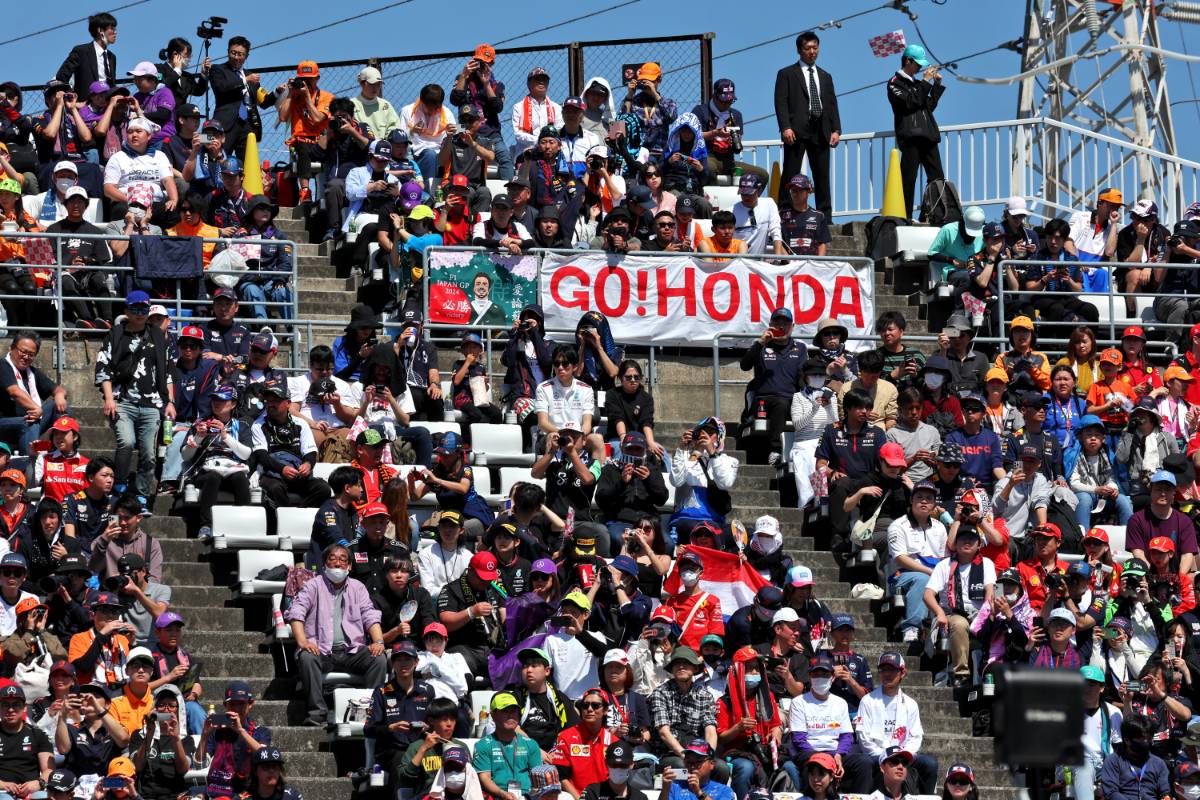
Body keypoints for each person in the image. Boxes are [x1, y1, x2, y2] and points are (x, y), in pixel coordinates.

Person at [285, 544, 387, 727]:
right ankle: (317, 713)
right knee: (307, 657)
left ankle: (367, 713)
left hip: (352, 651)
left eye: (343, 559)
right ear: (324, 564)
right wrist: (303, 642)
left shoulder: (358, 588)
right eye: (332, 558)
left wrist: (378, 641)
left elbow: (370, 615)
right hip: (321, 650)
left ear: (349, 566)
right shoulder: (312, 585)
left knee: (379, 659)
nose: (338, 563)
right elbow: (296, 612)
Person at [774, 32, 840, 218]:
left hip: (821, 130)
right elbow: (781, 102)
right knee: (790, 172)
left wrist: (836, 129)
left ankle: (825, 216)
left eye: (815, 47)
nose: (812, 51)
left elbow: (832, 104)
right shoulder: (786, 73)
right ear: (799, 50)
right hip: (796, 129)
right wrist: (785, 126)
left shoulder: (825, 76)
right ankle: (785, 212)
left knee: (822, 175)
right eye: (807, 48)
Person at [853, 652, 936, 793]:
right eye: (883, 670)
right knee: (864, 763)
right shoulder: (867, 701)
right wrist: (885, 757)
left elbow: (915, 737)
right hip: (876, 755)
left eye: (892, 670)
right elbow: (864, 739)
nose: (887, 674)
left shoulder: (911, 704)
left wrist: (901, 756)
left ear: (902, 673)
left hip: (902, 755)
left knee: (930, 764)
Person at [886, 45, 945, 220]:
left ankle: (931, 215)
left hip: (928, 135)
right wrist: (926, 82)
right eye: (917, 63)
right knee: (908, 179)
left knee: (937, 178)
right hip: (911, 137)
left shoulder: (918, 84)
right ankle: (905, 216)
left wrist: (936, 86)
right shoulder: (894, 83)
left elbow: (928, 106)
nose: (920, 68)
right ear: (908, 61)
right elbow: (911, 102)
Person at [716, 647, 783, 800]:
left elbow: (775, 725)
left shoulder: (767, 696)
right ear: (739, 671)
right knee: (746, 768)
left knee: (790, 767)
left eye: (756, 669)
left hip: (764, 750)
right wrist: (738, 728)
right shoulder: (725, 702)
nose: (754, 673)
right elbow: (721, 739)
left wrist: (776, 733)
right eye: (749, 669)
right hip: (736, 752)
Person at [251, 383, 332, 510]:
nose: (271, 404)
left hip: (297, 472)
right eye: (268, 401)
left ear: (288, 403)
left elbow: (310, 451)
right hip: (273, 473)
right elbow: (262, 456)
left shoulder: (301, 424)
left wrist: (308, 464)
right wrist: (282, 469)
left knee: (323, 488)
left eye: (276, 400)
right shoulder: (259, 425)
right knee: (275, 488)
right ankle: (286, 521)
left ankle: (298, 515)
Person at [887, 482, 948, 642]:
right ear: (911, 500)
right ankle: (911, 627)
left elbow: (943, 558)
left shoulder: (940, 527)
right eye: (919, 497)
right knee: (924, 580)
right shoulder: (898, 525)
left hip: (934, 573)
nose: (924, 501)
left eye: (929, 498)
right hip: (902, 576)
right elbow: (900, 558)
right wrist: (930, 572)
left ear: (934, 504)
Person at [364, 640, 434, 776]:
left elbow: (434, 725)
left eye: (408, 659)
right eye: (398, 659)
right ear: (392, 664)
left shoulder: (427, 690)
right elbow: (368, 730)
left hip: (422, 747)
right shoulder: (381, 691)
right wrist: (391, 728)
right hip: (391, 751)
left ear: (416, 662)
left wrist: (428, 728)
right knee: (403, 765)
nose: (403, 664)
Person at [437, 549, 507, 677]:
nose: (485, 582)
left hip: (492, 646)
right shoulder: (452, 589)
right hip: (464, 646)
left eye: (488, 578)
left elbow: (504, 611)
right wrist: (471, 612)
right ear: (470, 570)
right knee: (463, 663)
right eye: (481, 577)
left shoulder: (493, 588)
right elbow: (445, 622)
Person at [0, 331, 69, 457]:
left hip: (29, 421)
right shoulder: (3, 365)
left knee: (58, 405)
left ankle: (59, 453)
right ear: (12, 348)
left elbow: (58, 389)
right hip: (4, 424)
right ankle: (30, 466)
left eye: (31, 354)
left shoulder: (31, 372)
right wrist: (36, 409)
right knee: (30, 422)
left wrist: (59, 395)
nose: (26, 357)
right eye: (23, 351)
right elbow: (14, 392)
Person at [449, 44, 511, 180]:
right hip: (464, 128)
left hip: (491, 131)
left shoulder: (497, 84)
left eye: (485, 63)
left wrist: (486, 84)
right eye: (478, 61)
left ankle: (508, 195)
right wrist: (464, 75)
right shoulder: (462, 78)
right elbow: (455, 99)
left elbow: (498, 107)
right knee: (446, 144)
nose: (481, 65)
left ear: (492, 63)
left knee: (505, 158)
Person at [208, 37, 275, 160]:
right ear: (228, 51)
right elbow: (221, 88)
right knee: (219, 159)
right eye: (233, 53)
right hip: (226, 124)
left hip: (249, 125)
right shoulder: (218, 69)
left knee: (246, 165)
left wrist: (277, 92)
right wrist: (245, 80)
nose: (236, 57)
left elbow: (264, 102)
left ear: (246, 56)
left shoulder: (250, 75)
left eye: (240, 54)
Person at [788, 654, 854, 780]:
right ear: (809, 677)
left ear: (833, 677)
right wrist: (822, 759)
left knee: (863, 762)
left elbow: (846, 736)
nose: (820, 678)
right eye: (816, 675)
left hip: (835, 752)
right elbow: (798, 739)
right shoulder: (798, 702)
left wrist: (839, 755)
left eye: (825, 675)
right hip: (808, 752)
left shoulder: (840, 703)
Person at [649, 646, 718, 766]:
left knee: (721, 768)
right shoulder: (660, 693)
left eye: (686, 663)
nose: (681, 666)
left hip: (698, 753)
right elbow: (664, 732)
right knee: (681, 766)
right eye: (676, 664)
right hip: (668, 753)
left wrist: (708, 756)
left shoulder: (705, 696)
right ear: (672, 669)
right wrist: (686, 757)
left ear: (695, 668)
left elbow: (710, 730)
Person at [275, 61, 332, 205]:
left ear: (317, 78)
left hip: (321, 140)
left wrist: (306, 96)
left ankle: (326, 195)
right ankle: (305, 191)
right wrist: (289, 94)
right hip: (300, 140)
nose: (305, 83)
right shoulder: (293, 96)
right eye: (303, 79)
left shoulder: (326, 97)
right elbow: (282, 117)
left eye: (309, 79)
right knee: (302, 145)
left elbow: (318, 119)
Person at [473, 691, 542, 799]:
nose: (510, 715)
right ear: (493, 716)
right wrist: (502, 794)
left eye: (514, 711)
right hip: (497, 796)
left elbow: (538, 778)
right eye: (505, 711)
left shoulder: (531, 744)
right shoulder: (483, 745)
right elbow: (485, 778)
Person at [1126, 470, 1198, 574]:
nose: (1163, 493)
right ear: (1151, 491)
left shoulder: (1185, 521)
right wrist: (1153, 578)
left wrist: (1178, 579)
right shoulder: (1136, 520)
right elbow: (1138, 553)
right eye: (1158, 489)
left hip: (1176, 575)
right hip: (1147, 575)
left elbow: (1187, 554)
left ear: (1174, 493)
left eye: (1168, 490)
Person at [0, 683, 53, 798]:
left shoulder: (37, 734)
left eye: (16, 705)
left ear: (24, 707)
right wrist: (3, 785)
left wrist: (39, 783)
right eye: (5, 705)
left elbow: (49, 770)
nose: (10, 709)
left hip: (32, 791)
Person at [1100, 714, 1171, 800]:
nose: (1150, 742)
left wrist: (1166, 797)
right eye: (1144, 739)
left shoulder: (1158, 763)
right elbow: (1111, 793)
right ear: (1127, 740)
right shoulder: (1113, 761)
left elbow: (1165, 792)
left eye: (1150, 738)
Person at [55, 13, 117, 99]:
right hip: (85, 107)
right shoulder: (81, 51)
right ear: (100, 30)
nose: (115, 32)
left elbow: (112, 85)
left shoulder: (111, 57)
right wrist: (73, 97)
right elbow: (61, 76)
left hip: (106, 107)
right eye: (112, 29)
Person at [351, 66, 400, 140]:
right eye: (372, 84)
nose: (375, 87)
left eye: (378, 84)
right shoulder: (351, 104)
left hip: (383, 149)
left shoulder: (386, 105)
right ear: (362, 83)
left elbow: (395, 129)